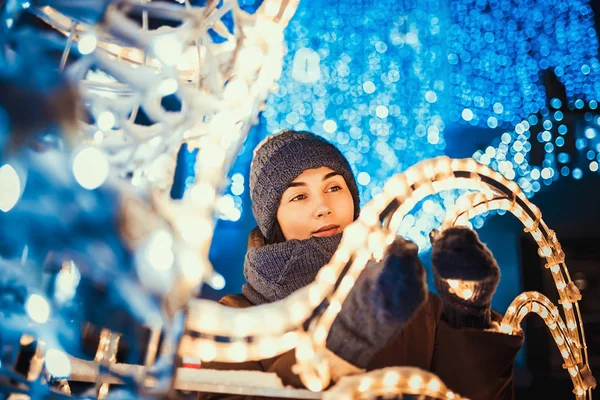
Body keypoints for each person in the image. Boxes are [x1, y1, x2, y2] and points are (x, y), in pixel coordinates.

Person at [198, 130, 524, 400]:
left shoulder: (414, 305)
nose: (323, 207)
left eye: (334, 187)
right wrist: (342, 346)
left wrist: (468, 317)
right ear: (273, 222)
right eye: (299, 197)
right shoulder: (234, 324)